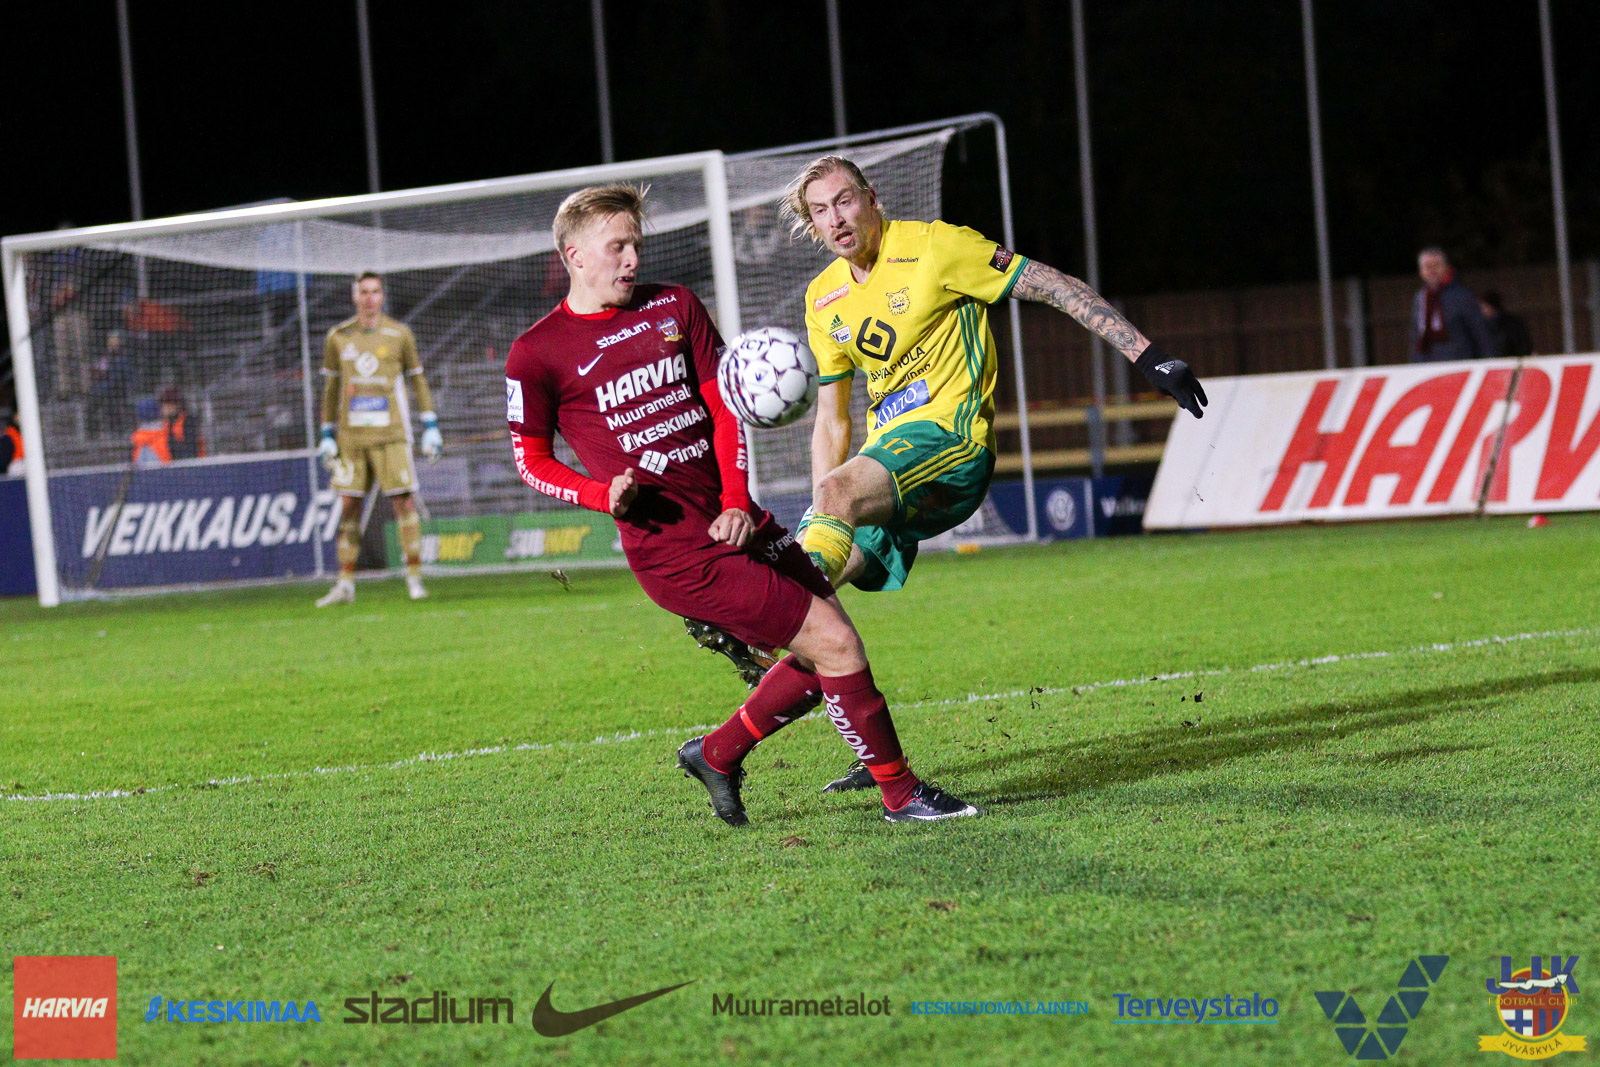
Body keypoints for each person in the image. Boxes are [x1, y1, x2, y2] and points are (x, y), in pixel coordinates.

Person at [714, 155, 1203, 793]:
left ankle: (754, 619)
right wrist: (824, 511)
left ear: (871, 198)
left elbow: (1052, 284)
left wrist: (1146, 354)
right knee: (822, 625)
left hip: (952, 446)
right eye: (821, 211)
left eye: (845, 201)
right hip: (888, 469)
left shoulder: (937, 247)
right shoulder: (823, 297)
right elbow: (831, 421)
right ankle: (719, 753)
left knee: (797, 584)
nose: (837, 219)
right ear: (811, 224)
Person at [504, 182, 977, 825]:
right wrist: (599, 494)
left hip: (739, 520)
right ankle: (901, 795)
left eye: (636, 245)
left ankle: (717, 754)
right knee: (837, 645)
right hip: (676, 553)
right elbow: (531, 460)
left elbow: (725, 409)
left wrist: (735, 501)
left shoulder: (675, 306)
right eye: (617, 247)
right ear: (574, 256)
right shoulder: (537, 353)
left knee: (821, 657)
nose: (632, 259)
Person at [314, 272, 442, 605]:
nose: (370, 298)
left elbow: (417, 380)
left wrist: (430, 424)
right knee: (348, 507)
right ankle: (345, 584)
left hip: (391, 435)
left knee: (404, 503)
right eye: (364, 292)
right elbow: (331, 389)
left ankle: (414, 579)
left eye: (375, 291)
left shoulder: (399, 334)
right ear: (355, 296)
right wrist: (326, 434)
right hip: (352, 439)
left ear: (382, 296)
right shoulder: (338, 337)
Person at [1411, 247, 1493, 362]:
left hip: (1459, 362)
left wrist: (1489, 361)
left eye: (1436, 265)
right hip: (1429, 363)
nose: (1432, 270)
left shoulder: (1462, 295)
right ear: (1421, 271)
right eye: (1427, 266)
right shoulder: (1420, 297)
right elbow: (1417, 335)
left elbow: (1480, 332)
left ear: (1446, 267)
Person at [1479, 290, 1533, 358]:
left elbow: (1521, 345)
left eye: (1483, 307)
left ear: (1491, 306)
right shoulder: (1482, 325)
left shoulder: (1510, 324)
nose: (1481, 311)